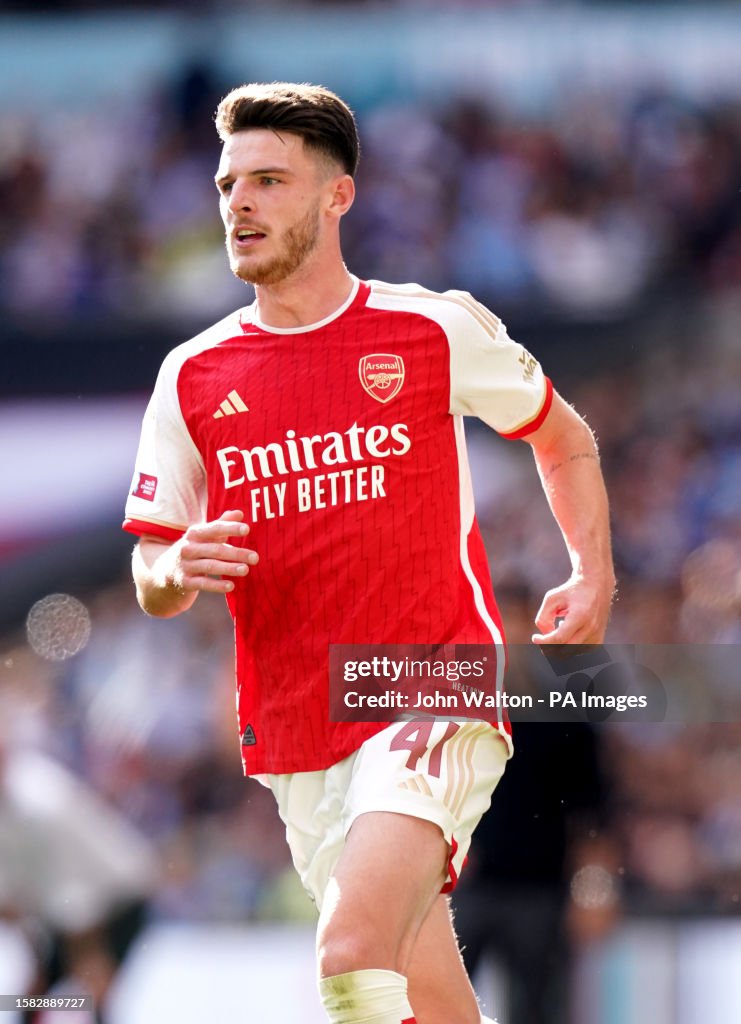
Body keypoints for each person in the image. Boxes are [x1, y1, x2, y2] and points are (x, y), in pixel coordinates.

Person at [123, 82, 615, 1024]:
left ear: (336, 195)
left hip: (433, 680)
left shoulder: (429, 328)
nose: (239, 204)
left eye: (269, 181)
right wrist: (175, 566)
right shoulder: (190, 375)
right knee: (424, 996)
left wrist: (590, 572)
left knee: (349, 958)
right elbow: (151, 568)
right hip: (295, 722)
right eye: (228, 185)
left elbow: (562, 436)